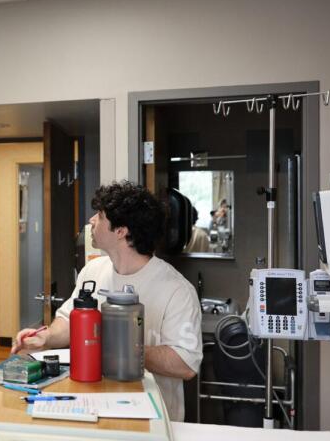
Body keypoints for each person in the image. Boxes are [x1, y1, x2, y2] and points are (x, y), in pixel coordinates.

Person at [12, 181, 202, 422]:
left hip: (151, 418)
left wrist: (120, 349)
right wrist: (46, 338)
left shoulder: (176, 289)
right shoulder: (92, 271)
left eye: (100, 216)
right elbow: (68, 321)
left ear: (121, 231)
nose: (91, 220)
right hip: (91, 407)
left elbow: (185, 364)